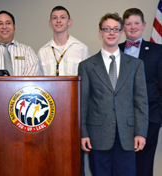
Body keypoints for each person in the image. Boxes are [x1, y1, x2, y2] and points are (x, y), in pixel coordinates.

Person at [79, 13, 148, 176]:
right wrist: (83, 134)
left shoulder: (136, 65)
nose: (111, 33)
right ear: (100, 32)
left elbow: (141, 102)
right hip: (97, 136)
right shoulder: (87, 66)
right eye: (107, 29)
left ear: (121, 32)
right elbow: (83, 103)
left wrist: (140, 132)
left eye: (115, 29)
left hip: (127, 136)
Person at [119, 8, 162, 176]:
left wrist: (159, 115)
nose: (132, 27)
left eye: (136, 23)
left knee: (144, 166)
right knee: (122, 164)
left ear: (143, 25)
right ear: (123, 27)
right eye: (128, 24)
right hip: (121, 119)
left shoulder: (158, 51)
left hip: (150, 117)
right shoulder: (115, 50)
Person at [0, 10, 41, 82]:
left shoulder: (27, 51)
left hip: (21, 92)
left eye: (8, 23)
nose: (4, 27)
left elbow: (32, 75)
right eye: (0, 24)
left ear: (14, 27)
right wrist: (3, 85)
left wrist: (15, 88)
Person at [37, 6, 89, 76]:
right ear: (50, 23)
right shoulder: (43, 52)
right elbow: (39, 82)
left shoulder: (81, 49)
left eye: (63, 17)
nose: (58, 21)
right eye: (55, 18)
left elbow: (86, 79)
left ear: (69, 22)